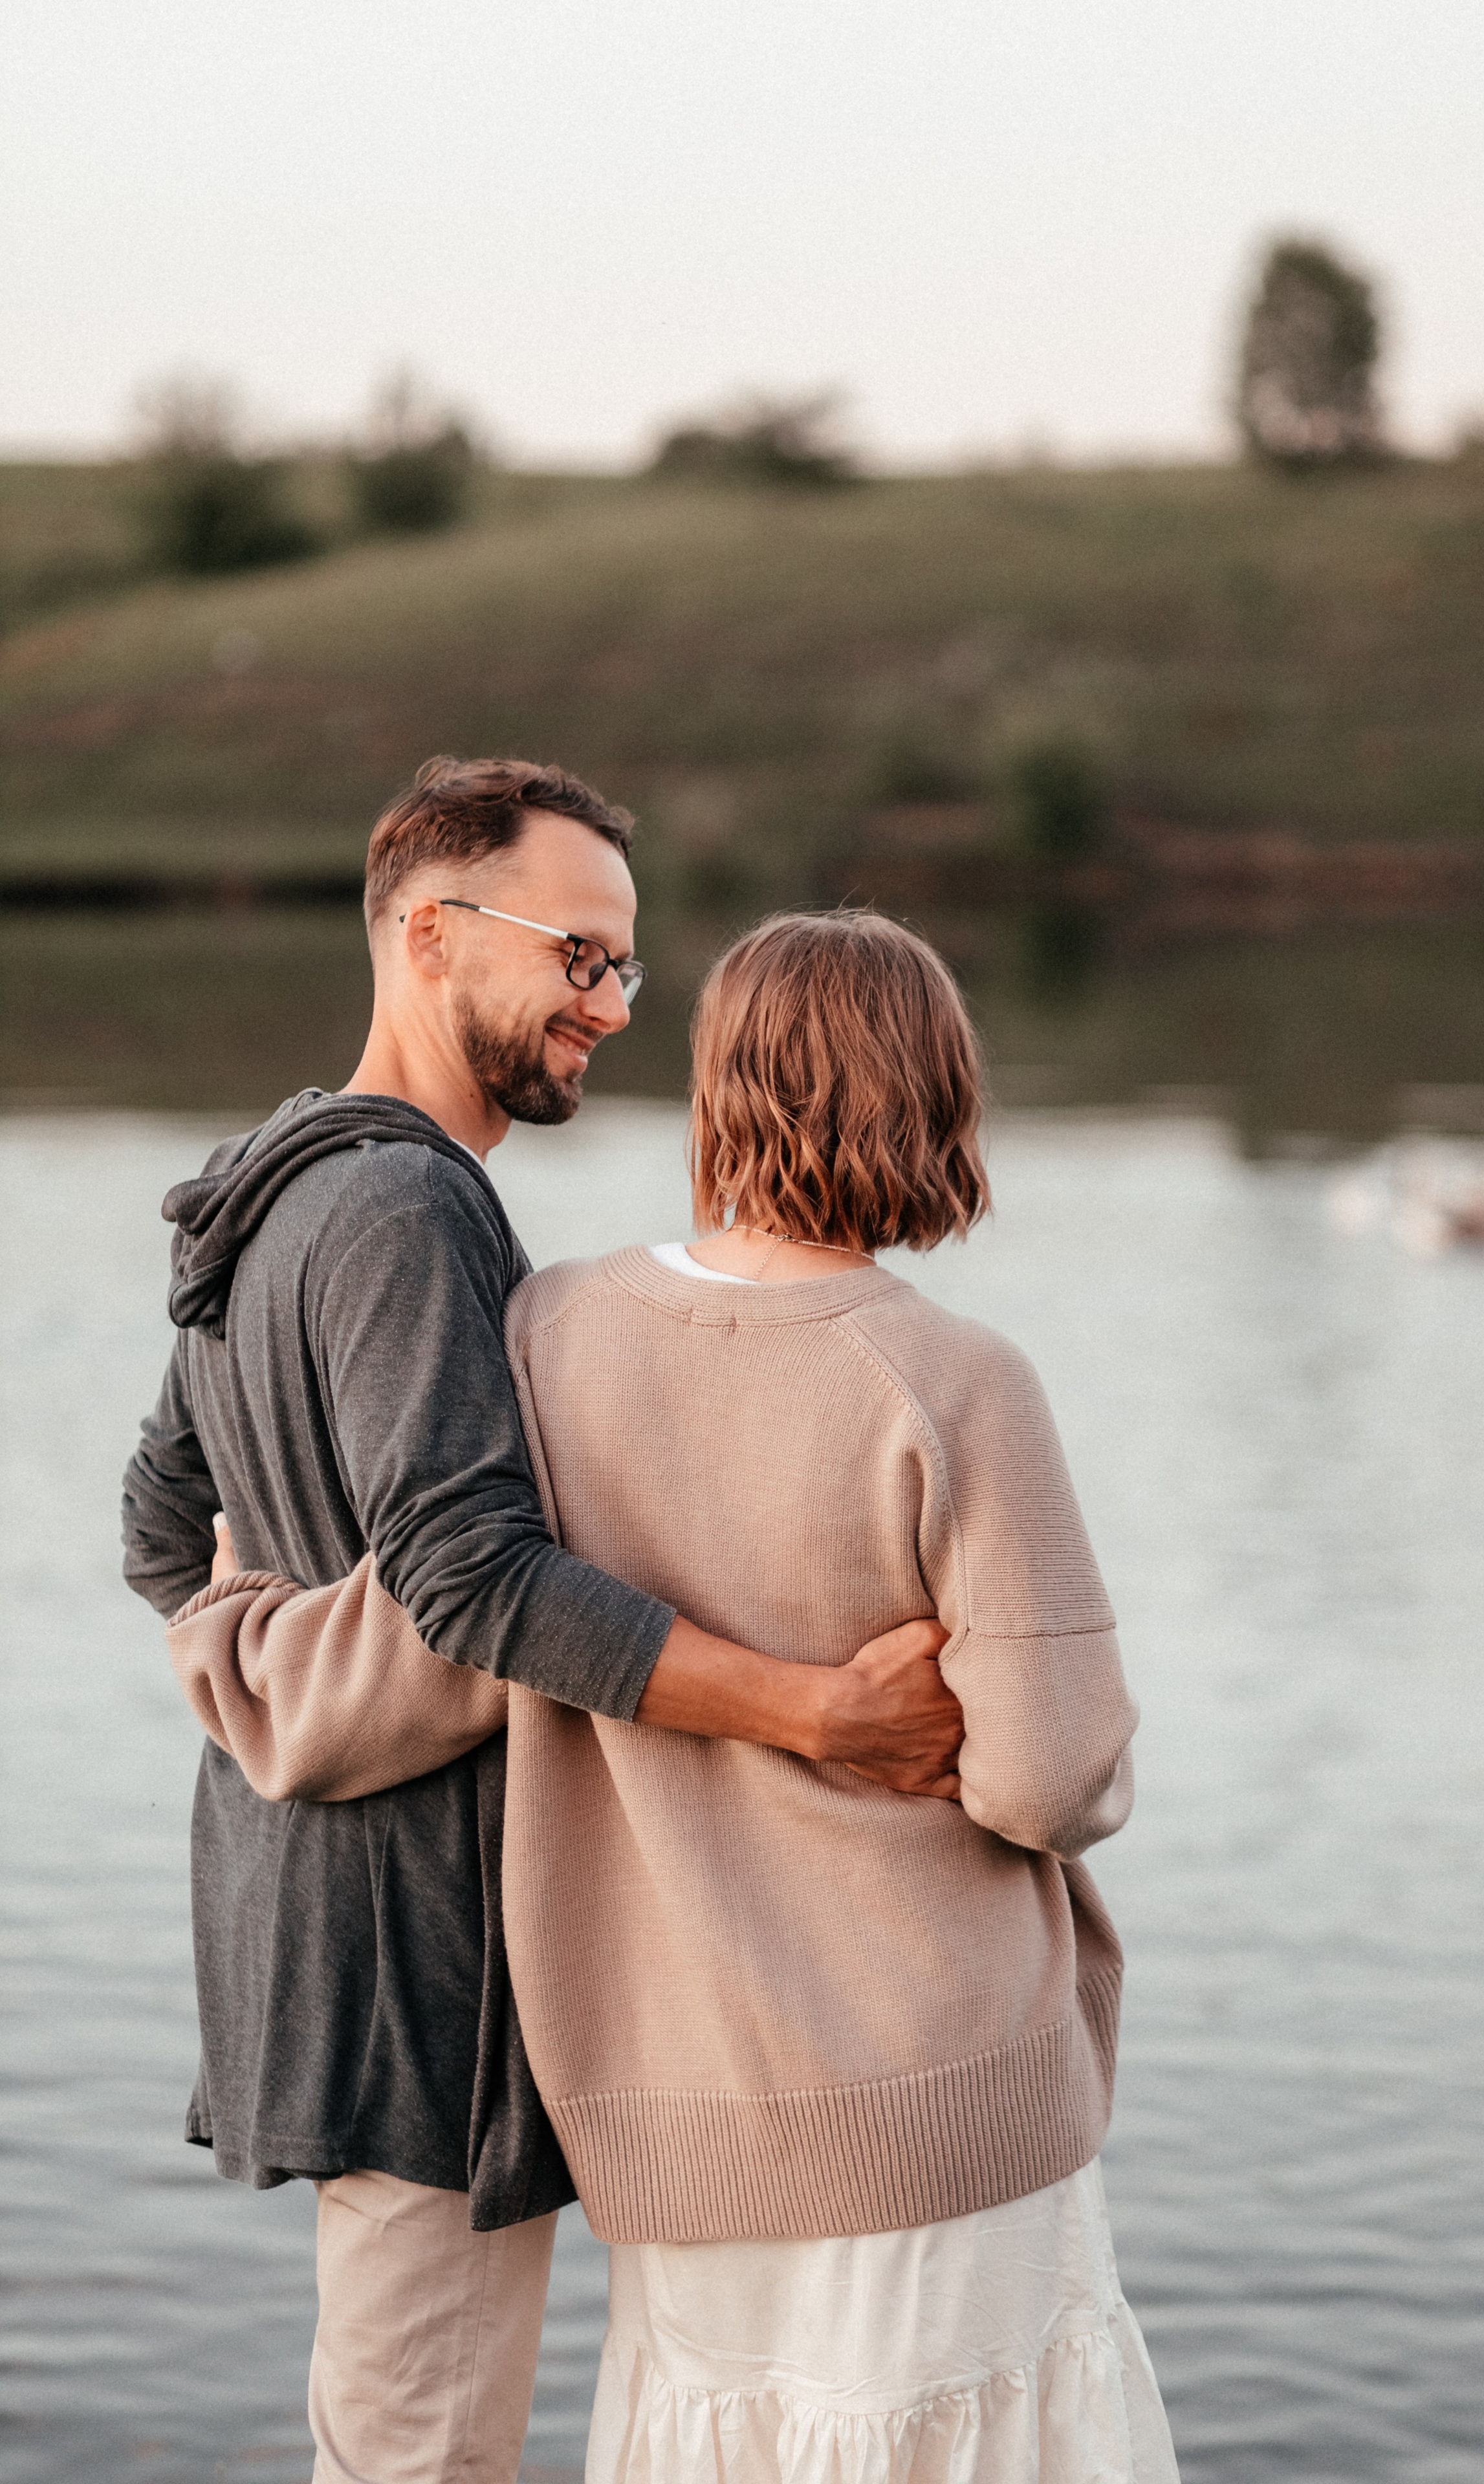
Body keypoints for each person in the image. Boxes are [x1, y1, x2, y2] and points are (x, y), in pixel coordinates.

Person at [172, 910, 1182, 2481]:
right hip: (935, 2091)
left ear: (722, 1089)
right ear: (937, 1098)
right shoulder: (955, 1381)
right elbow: (1052, 1783)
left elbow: (444, 1601)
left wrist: (235, 1611)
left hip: (670, 2107)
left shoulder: (546, 1335)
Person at [121, 761, 963, 2484]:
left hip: (321, 1920)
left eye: (626, 971)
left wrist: (273, 1674)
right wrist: (812, 1713)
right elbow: (472, 1574)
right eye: (578, 957)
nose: (610, 1008)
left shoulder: (270, 1190)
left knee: (395, 2433)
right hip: (419, 1955)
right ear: (431, 937)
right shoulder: (408, 1206)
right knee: (422, 2455)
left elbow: (159, 1530)